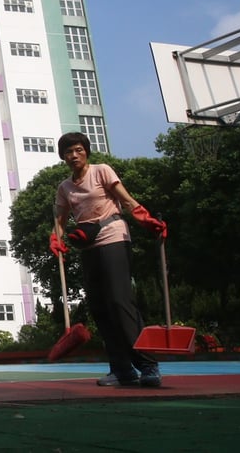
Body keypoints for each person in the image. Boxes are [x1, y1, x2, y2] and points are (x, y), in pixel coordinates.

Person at [49, 132, 167, 388]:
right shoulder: (64, 187)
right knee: (100, 307)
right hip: (88, 244)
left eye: (79, 150)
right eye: (68, 152)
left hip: (113, 236)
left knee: (119, 301)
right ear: (62, 157)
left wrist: (145, 218)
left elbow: (125, 199)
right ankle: (122, 369)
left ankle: (148, 365)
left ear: (86, 151)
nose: (74, 155)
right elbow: (60, 220)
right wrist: (56, 238)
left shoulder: (101, 171)